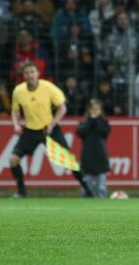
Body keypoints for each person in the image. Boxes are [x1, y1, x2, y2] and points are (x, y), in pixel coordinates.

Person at [9, 62, 92, 198]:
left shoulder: (48, 87)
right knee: (13, 159)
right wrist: (16, 125)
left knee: (69, 161)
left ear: (37, 74)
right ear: (23, 75)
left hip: (49, 129)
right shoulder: (19, 91)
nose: (30, 75)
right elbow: (15, 110)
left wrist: (52, 124)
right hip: (30, 131)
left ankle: (88, 190)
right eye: (27, 73)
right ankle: (21, 192)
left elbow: (62, 107)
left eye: (32, 72)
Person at [76, 99, 111, 198]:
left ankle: (102, 209)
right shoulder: (83, 123)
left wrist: (96, 120)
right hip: (87, 159)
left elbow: (103, 132)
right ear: (88, 110)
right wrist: (91, 120)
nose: (94, 111)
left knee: (101, 188)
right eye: (92, 109)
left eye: (97, 109)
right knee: (87, 188)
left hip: (101, 158)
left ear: (101, 111)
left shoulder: (104, 123)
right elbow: (80, 132)